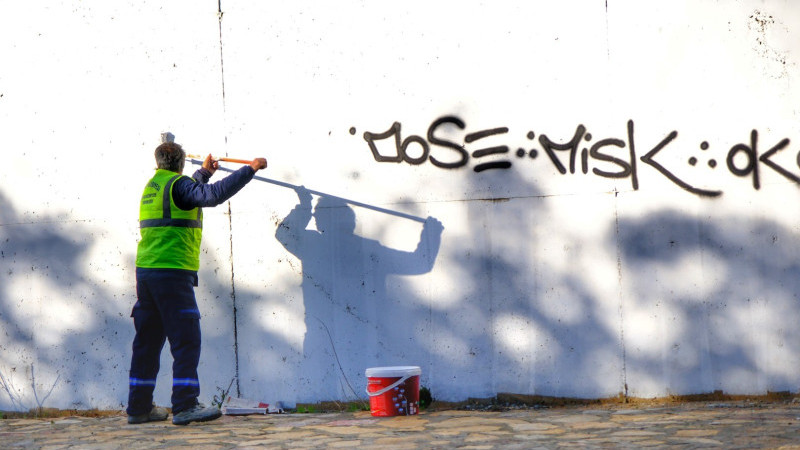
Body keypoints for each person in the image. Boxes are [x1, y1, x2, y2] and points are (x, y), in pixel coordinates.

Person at [126, 141, 267, 425]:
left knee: (148, 342)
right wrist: (249, 169)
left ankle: (139, 408)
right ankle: (185, 405)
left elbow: (187, 194)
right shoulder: (177, 185)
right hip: (172, 273)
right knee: (186, 340)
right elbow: (210, 196)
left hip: (147, 273)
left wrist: (204, 173)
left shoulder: (155, 185)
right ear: (180, 163)